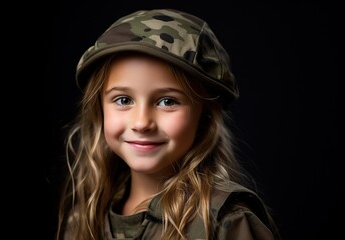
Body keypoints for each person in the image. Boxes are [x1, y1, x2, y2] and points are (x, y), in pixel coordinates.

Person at [56, 8, 281, 240]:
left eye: (167, 101)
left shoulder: (224, 221)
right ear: (99, 109)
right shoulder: (84, 219)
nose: (142, 123)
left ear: (204, 115)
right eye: (123, 100)